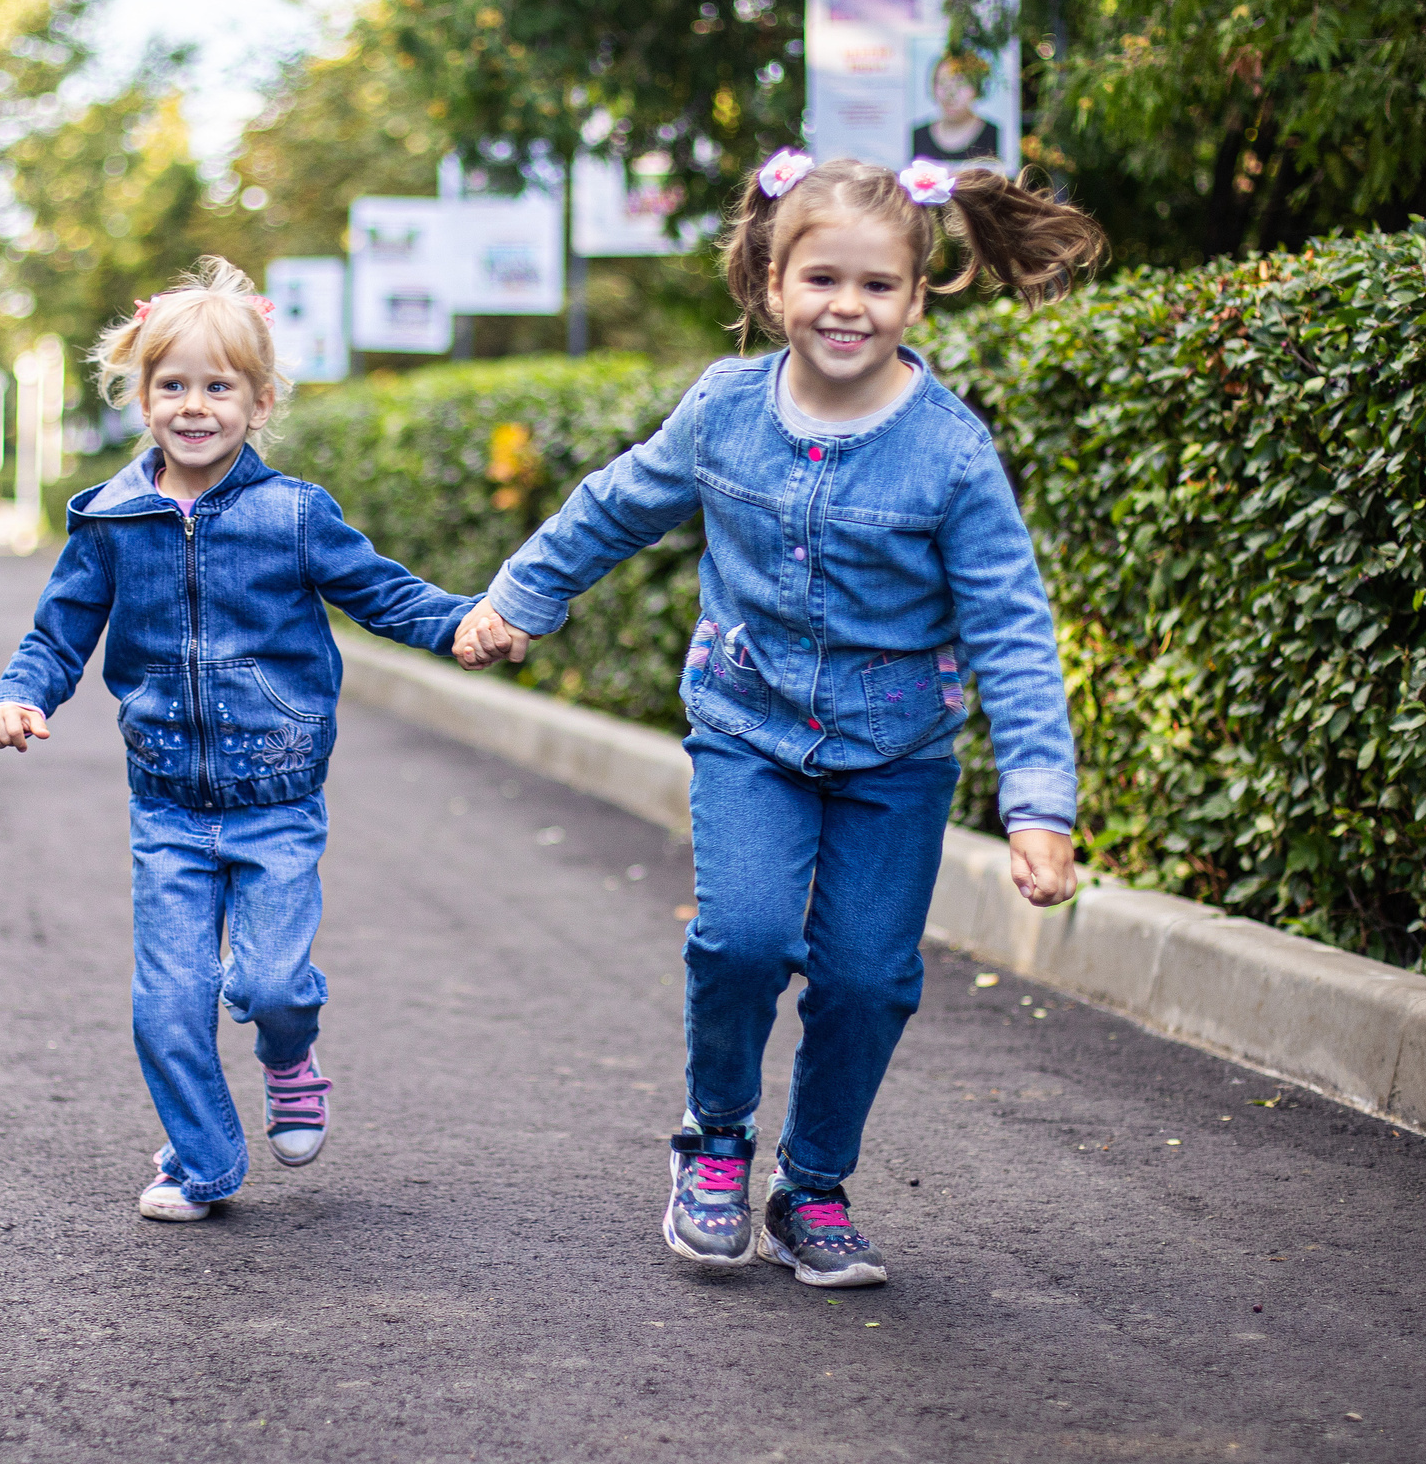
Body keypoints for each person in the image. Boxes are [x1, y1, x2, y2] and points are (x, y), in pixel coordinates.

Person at [454, 150, 1105, 1287]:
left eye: (876, 286)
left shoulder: (949, 450)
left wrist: (1040, 803)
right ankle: (714, 1141)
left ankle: (812, 1187)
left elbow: (1010, 624)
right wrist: (521, 595)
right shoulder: (724, 408)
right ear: (770, 279)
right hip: (748, 723)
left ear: (916, 294)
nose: (847, 307)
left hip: (895, 752)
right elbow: (616, 504)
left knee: (867, 977)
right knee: (742, 938)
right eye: (821, 279)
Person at [0, 258, 476, 1222]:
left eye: (218, 387)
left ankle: (290, 1059)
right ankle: (200, 1163)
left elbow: (385, 593)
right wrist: (14, 697)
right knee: (166, 1006)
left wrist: (463, 626)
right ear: (140, 396)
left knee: (272, 982)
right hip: (166, 807)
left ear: (259, 400)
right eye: (173, 386)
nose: (194, 407)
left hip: (277, 801)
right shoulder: (111, 520)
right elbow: (57, 636)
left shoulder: (293, 515)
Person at [910, 53, 1003, 165]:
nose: (950, 94)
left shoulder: (995, 134)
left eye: (960, 83)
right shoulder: (917, 136)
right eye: (942, 83)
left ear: (976, 88)